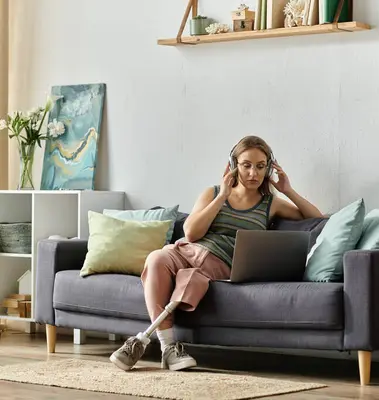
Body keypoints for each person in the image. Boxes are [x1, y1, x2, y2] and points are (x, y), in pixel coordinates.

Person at [109, 135, 324, 371]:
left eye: (260, 166)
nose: (253, 173)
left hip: (219, 264)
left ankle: (165, 346)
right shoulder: (212, 193)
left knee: (190, 280)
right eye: (246, 165)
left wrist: (288, 190)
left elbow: (317, 218)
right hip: (186, 251)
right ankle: (168, 348)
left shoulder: (270, 203)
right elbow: (190, 233)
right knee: (156, 258)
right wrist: (222, 196)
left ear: (268, 169)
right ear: (233, 166)